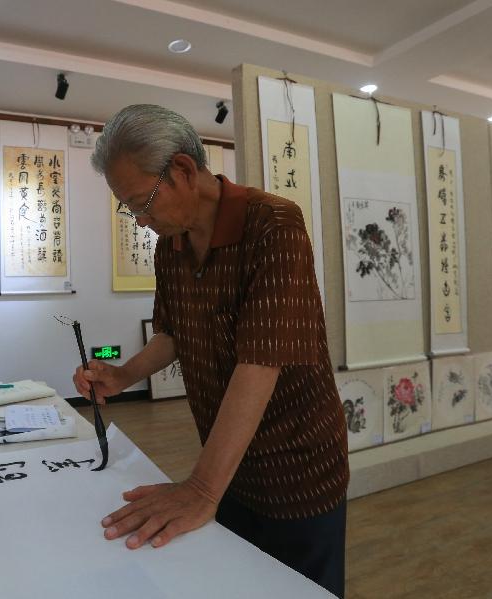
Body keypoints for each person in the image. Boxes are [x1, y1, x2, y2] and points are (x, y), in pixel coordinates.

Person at [73, 104, 349, 597]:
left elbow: (260, 362)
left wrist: (200, 489)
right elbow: (173, 332)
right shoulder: (171, 245)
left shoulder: (273, 225)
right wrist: (121, 375)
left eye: (142, 202)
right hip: (227, 462)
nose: (141, 220)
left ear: (182, 170)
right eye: (129, 209)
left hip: (296, 465)